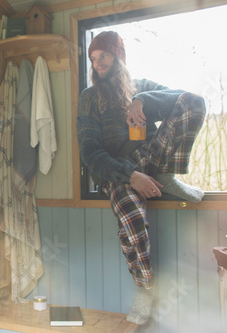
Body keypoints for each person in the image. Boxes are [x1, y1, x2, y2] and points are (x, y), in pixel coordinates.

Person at [77, 31, 206, 325]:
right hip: (117, 174)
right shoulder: (89, 98)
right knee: (133, 221)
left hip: (151, 159)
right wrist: (128, 175)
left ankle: (166, 176)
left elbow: (189, 102)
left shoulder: (143, 86)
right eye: (94, 58)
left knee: (193, 104)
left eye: (104, 55)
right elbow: (90, 152)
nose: (98, 63)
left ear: (120, 56)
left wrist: (143, 101)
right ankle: (145, 288)